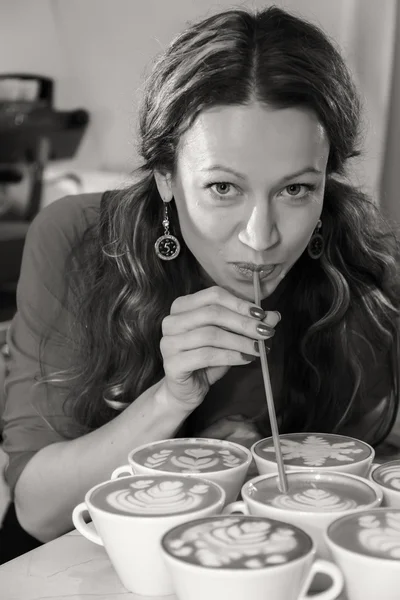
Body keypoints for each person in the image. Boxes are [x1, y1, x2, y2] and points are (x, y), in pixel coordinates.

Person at [1, 5, 400, 563]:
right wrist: (171, 399)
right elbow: (36, 512)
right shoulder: (78, 240)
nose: (261, 239)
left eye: (296, 190)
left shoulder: (365, 268)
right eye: (221, 187)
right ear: (166, 177)